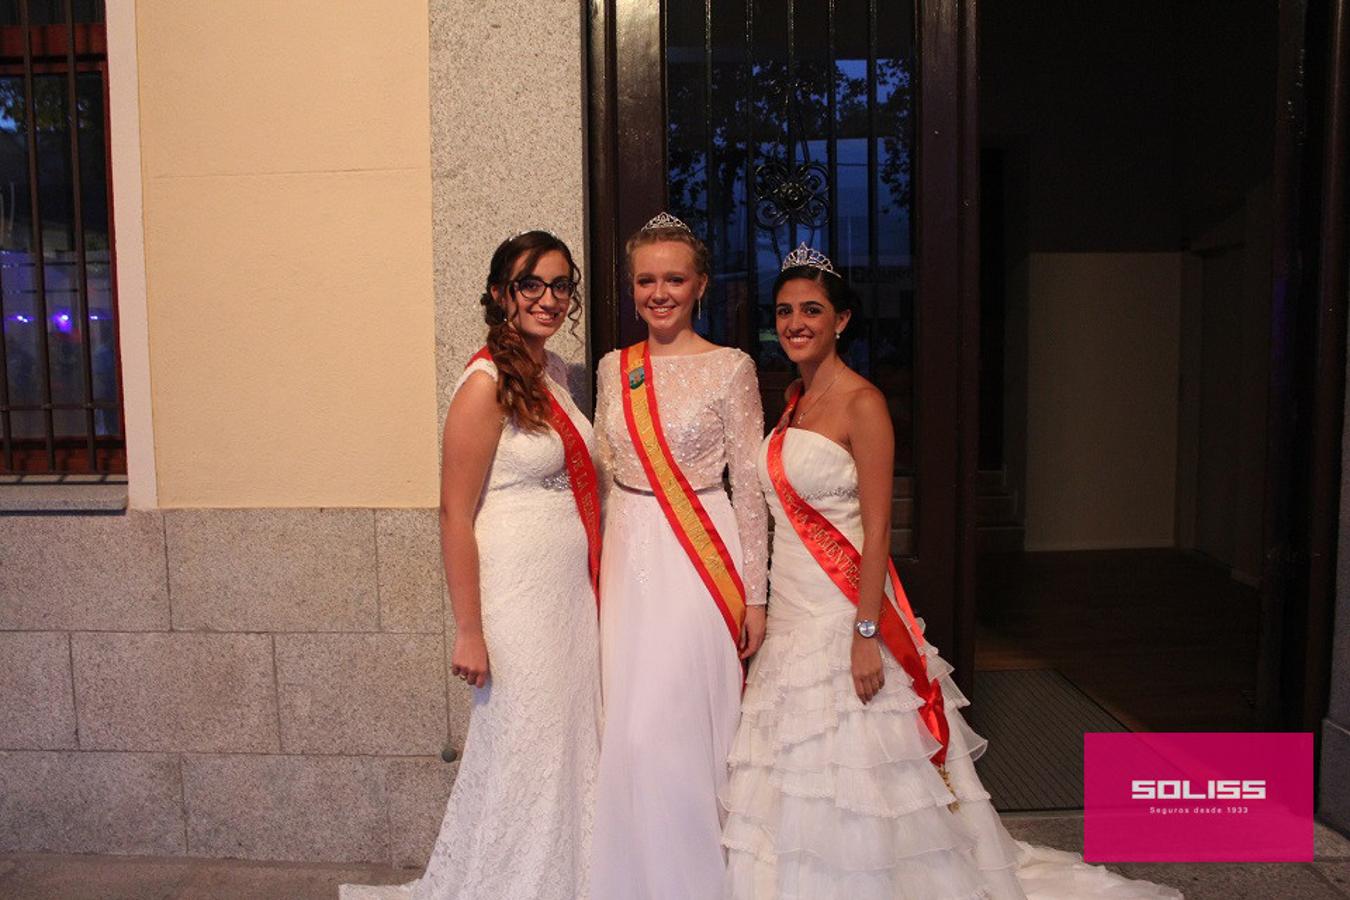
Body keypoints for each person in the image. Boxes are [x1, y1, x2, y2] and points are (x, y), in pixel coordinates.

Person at [720, 243, 1184, 900]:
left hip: (842, 613)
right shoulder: (792, 402)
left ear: (841, 320)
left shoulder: (863, 403)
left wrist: (866, 631)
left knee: (862, 774)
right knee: (793, 772)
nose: (796, 322)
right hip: (791, 614)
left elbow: (879, 528)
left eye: (812, 310)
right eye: (786, 311)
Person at [341, 231, 602, 900]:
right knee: (526, 744)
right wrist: (470, 629)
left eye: (560, 285)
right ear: (499, 294)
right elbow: (455, 514)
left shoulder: (558, 374)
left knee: (567, 740)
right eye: (531, 285)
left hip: (567, 595)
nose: (549, 299)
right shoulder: (484, 384)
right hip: (516, 596)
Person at [589, 212, 769, 900]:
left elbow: (749, 488)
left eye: (673, 278)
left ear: (700, 286)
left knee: (672, 724)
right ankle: (637, 874)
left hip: (701, 549)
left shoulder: (732, 367)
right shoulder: (614, 368)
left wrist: (755, 593)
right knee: (625, 722)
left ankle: (693, 879)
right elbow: (607, 472)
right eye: (645, 280)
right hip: (630, 550)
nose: (658, 292)